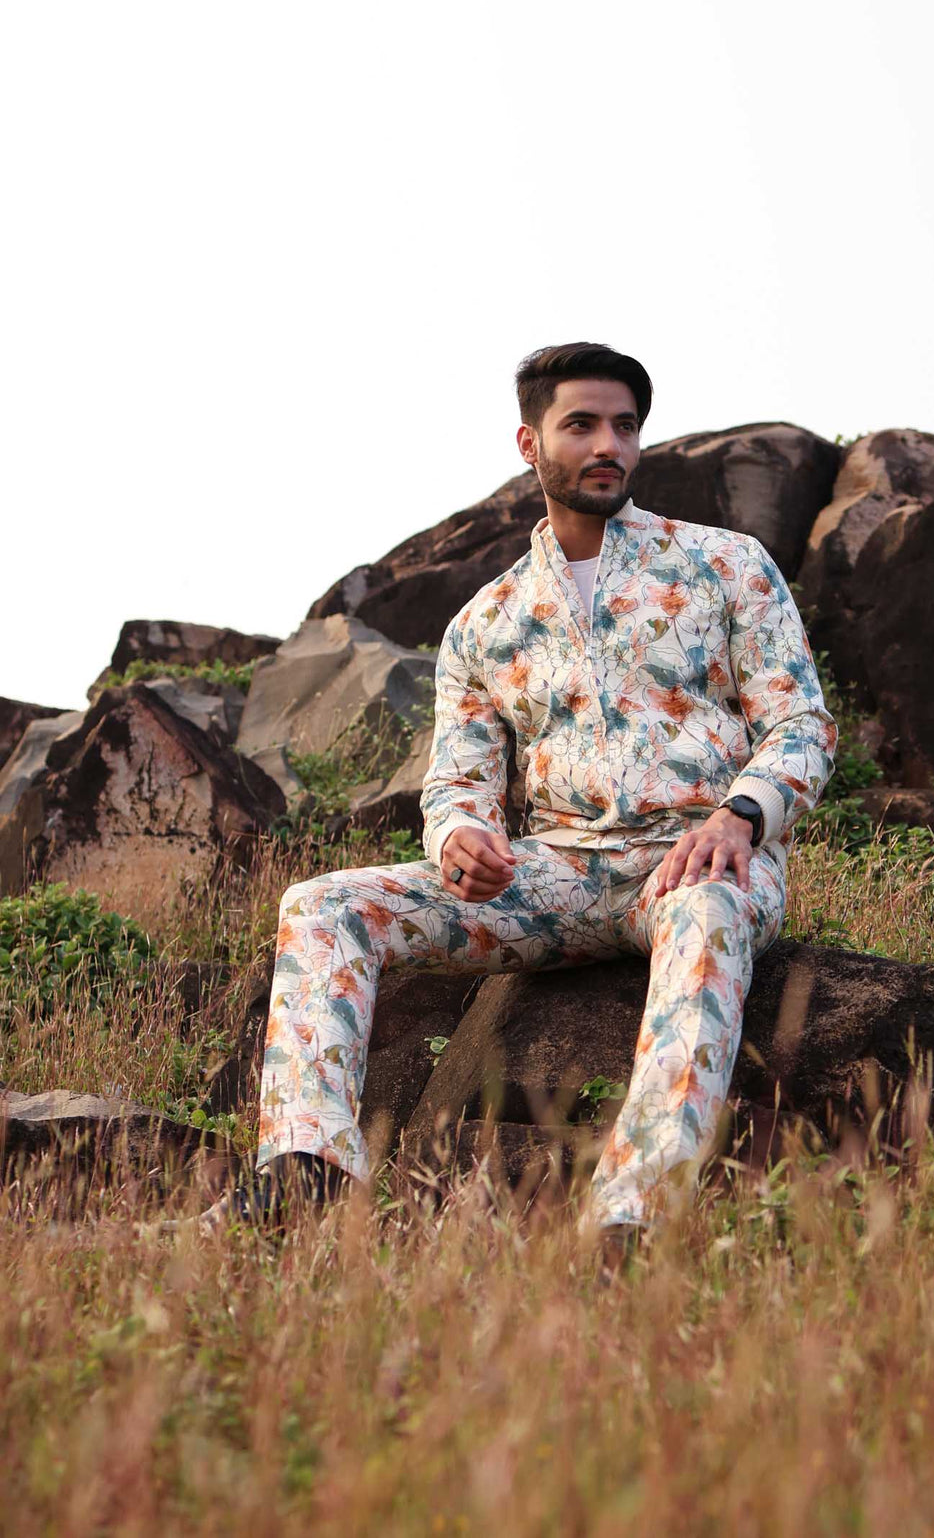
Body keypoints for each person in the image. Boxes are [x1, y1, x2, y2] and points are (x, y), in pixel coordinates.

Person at [194, 342, 837, 1260]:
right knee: (322, 904)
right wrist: (462, 839)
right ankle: (307, 1172)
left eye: (624, 425)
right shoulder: (486, 623)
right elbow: (458, 781)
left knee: (707, 910)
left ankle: (632, 1213)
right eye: (582, 424)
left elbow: (802, 725)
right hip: (559, 876)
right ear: (530, 444)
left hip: (701, 860)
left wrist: (740, 818)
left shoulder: (724, 565)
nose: (608, 444)